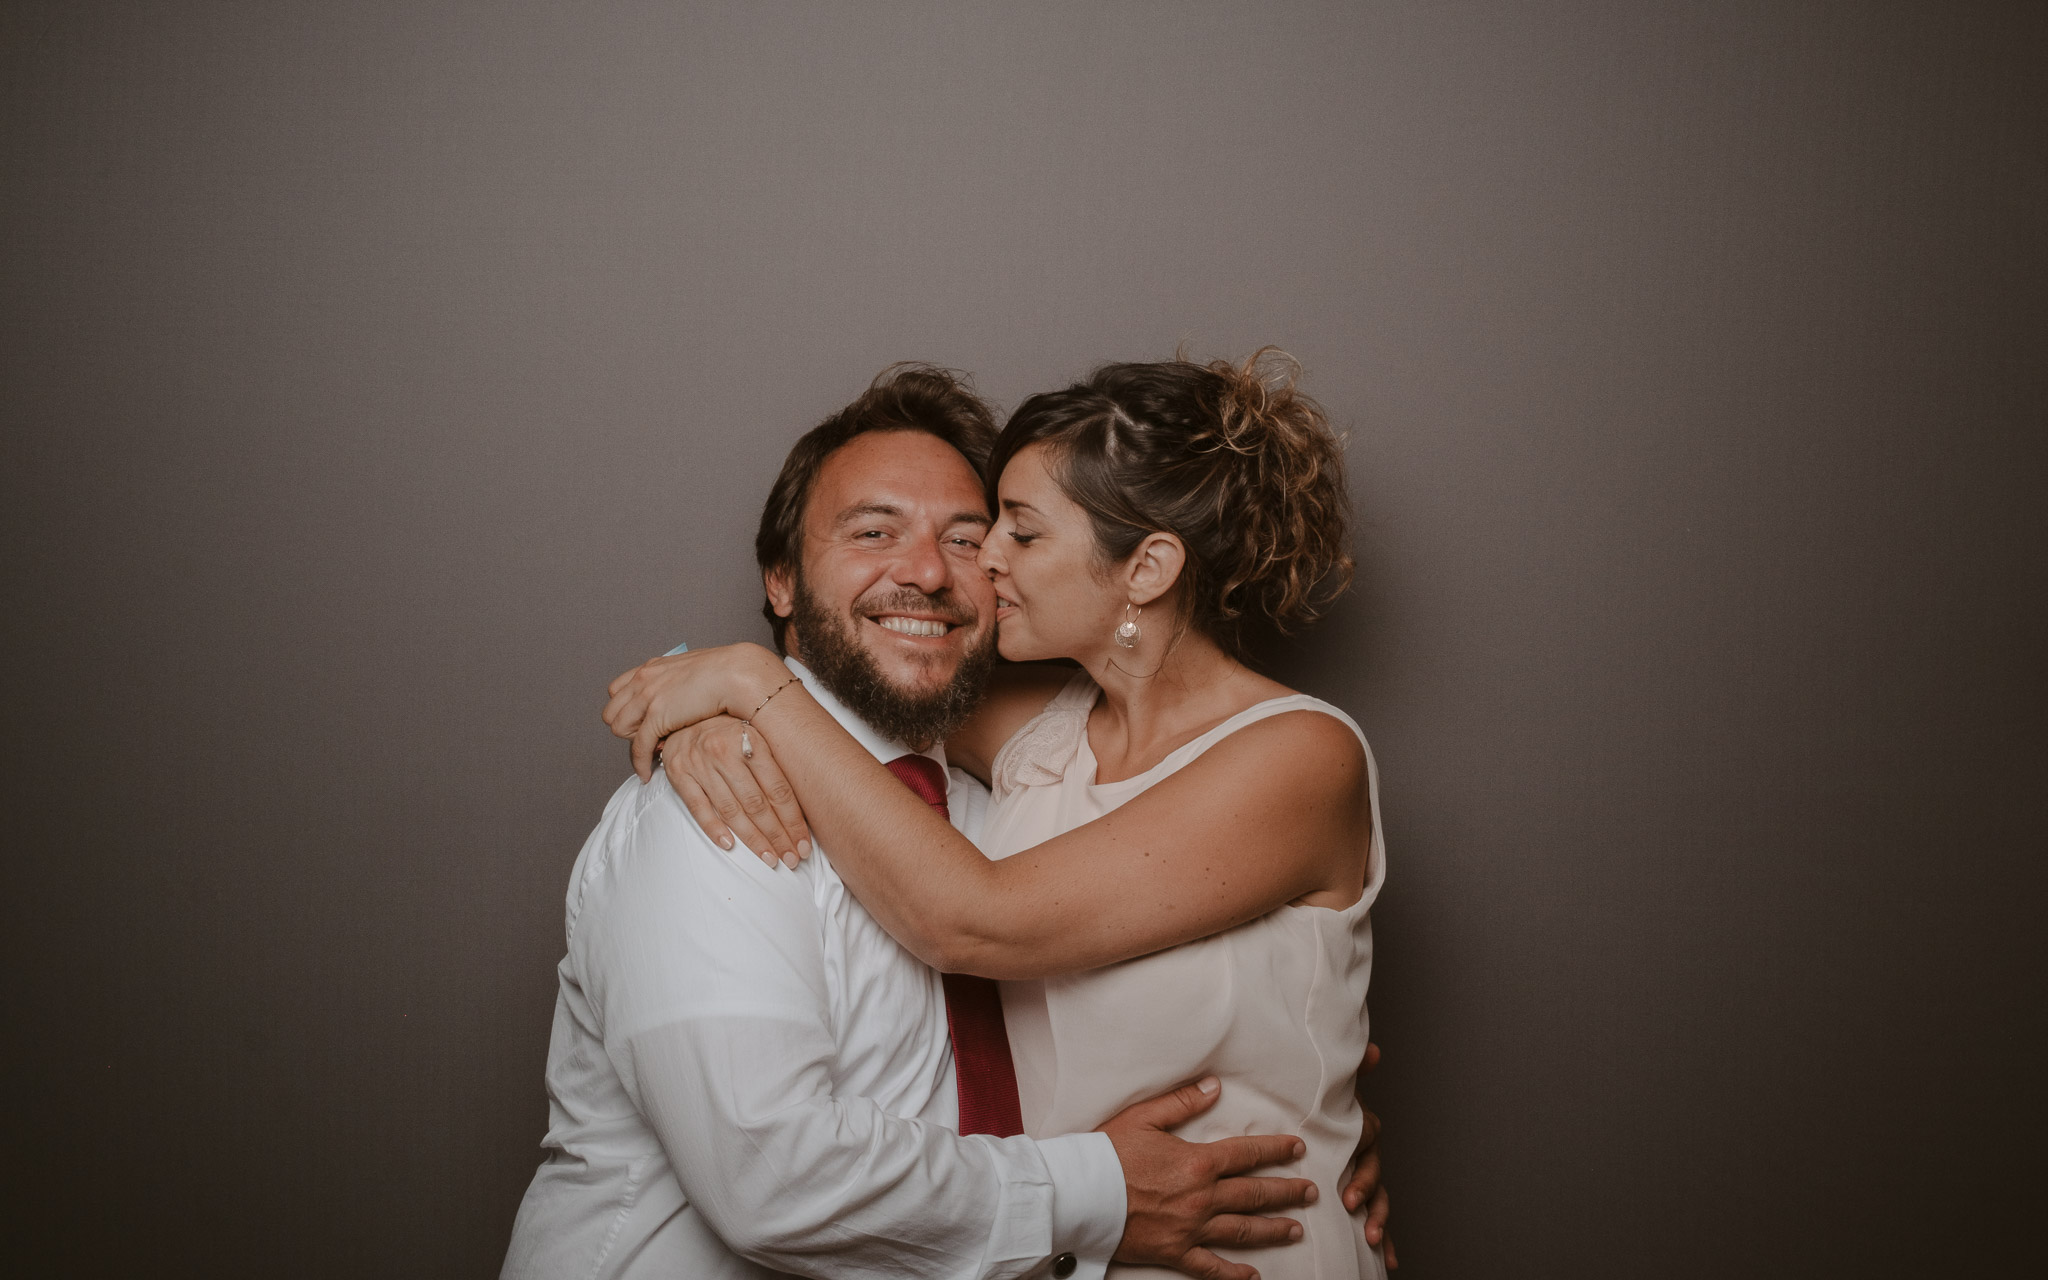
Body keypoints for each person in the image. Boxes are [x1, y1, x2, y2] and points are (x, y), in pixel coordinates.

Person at [502, 366, 1339, 1280]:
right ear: (780, 581)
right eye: (873, 532)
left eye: (978, 538)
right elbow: (771, 1176)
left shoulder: (999, 803)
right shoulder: (718, 811)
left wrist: (1304, 1091)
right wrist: (712, 706)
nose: (931, 573)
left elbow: (1011, 927)